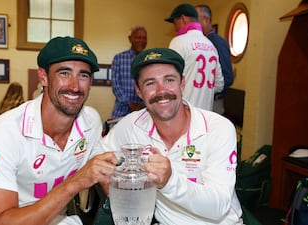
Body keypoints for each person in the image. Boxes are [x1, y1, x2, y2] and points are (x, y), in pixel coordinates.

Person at [0, 36, 117, 225]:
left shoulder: (91, 120)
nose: (75, 86)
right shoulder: (4, 131)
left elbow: (105, 173)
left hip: (55, 219)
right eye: (64, 73)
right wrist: (75, 183)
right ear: (43, 77)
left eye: (83, 75)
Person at [98, 48, 243, 224]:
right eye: (150, 83)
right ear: (138, 90)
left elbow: (218, 207)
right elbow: (97, 155)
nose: (161, 91)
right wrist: (110, 182)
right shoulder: (132, 125)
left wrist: (169, 181)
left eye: (169, 80)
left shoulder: (218, 128)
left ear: (182, 83)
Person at [165, 3, 224, 111]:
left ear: (183, 18)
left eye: (175, 23)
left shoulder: (179, 41)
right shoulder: (211, 46)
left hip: (184, 113)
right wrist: (201, 92)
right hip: (205, 115)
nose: (175, 28)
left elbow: (168, 79)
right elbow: (220, 84)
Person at [195, 4, 234, 115]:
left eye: (195, 19)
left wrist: (208, 89)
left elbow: (228, 77)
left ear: (206, 19)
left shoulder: (217, 43)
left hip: (213, 102)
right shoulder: (201, 41)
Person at [110, 25, 147, 118]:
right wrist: (129, 104)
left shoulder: (148, 60)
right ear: (130, 39)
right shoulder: (119, 58)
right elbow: (116, 85)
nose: (141, 41)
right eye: (138, 37)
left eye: (144, 38)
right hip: (121, 110)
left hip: (143, 111)